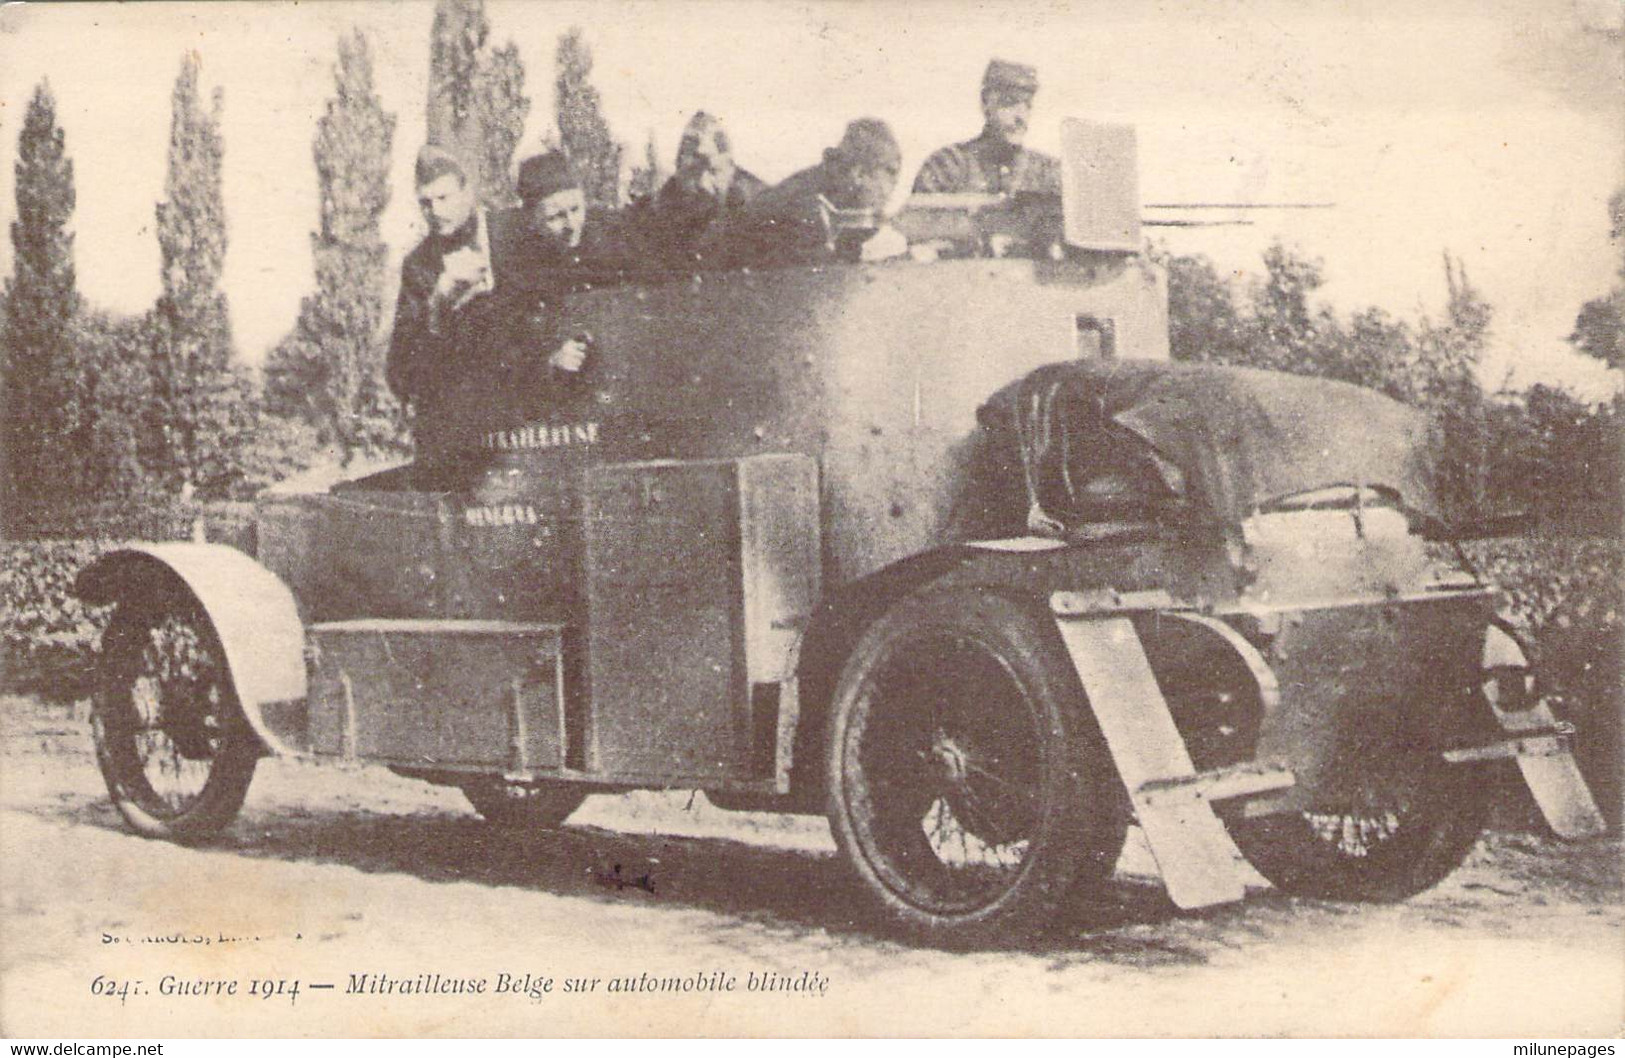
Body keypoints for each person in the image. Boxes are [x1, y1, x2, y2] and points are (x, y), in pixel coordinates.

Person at [704, 118, 908, 269]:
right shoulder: (809, 205)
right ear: (859, 173)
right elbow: (818, 290)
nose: (892, 189)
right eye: (890, 173)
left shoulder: (833, 199)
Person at [633, 111, 766, 266]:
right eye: (694, 174)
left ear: (731, 167)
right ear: (679, 166)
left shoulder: (759, 204)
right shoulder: (650, 216)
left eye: (713, 172)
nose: (704, 183)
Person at [912, 59, 1060, 196]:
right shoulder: (948, 166)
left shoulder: (1047, 172)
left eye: (1027, 105)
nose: (1021, 117)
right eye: (1009, 103)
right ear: (985, 103)